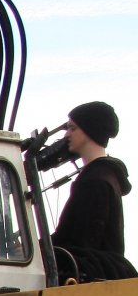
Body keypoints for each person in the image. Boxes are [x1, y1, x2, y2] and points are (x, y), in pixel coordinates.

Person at [51, 101, 133, 280]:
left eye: (73, 128)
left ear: (90, 130)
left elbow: (81, 242)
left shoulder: (94, 180)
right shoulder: (106, 175)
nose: (67, 134)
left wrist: (37, 250)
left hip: (88, 279)